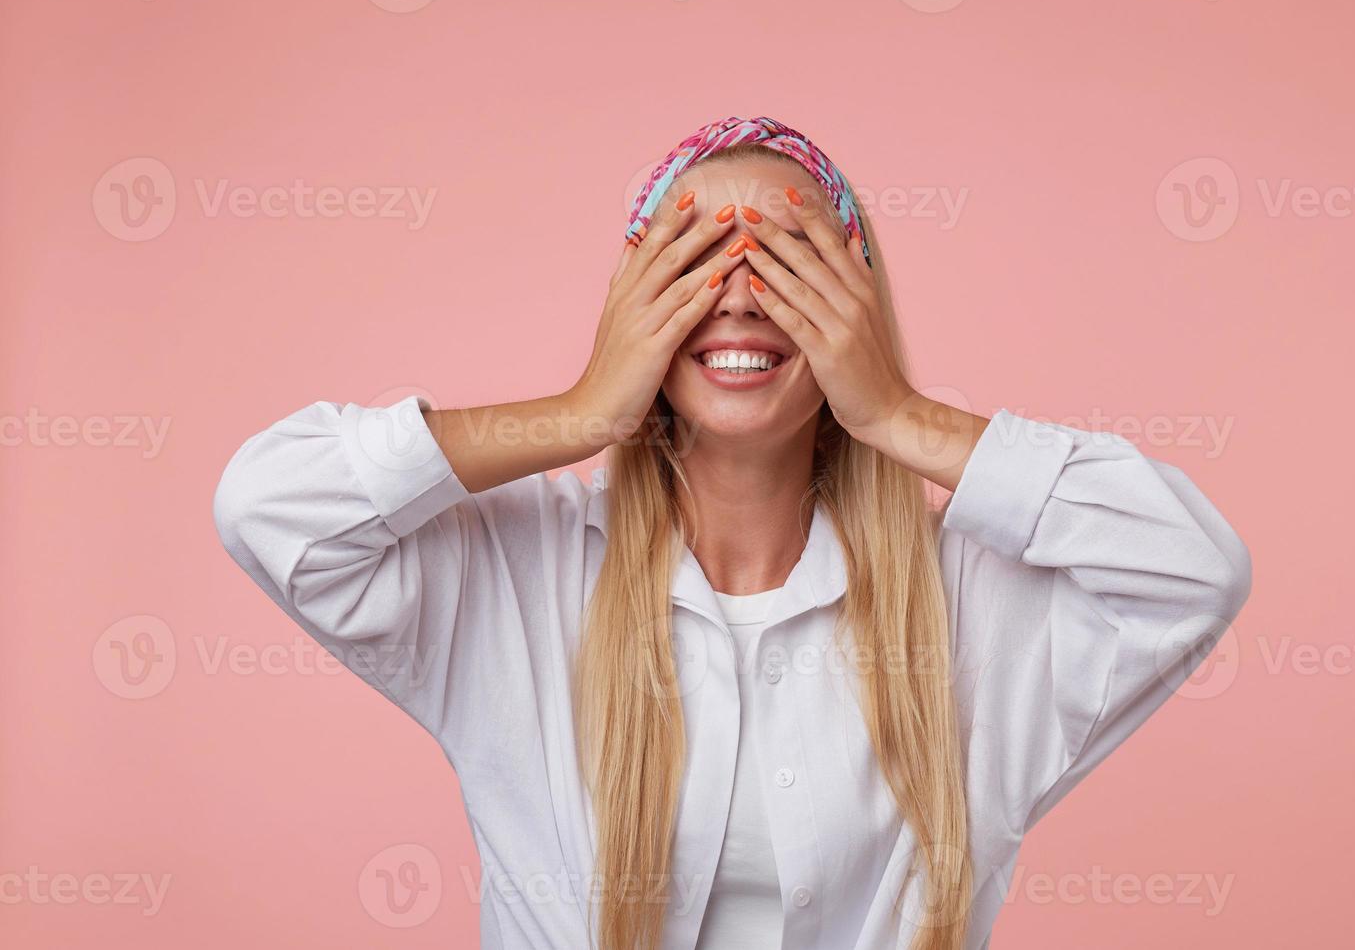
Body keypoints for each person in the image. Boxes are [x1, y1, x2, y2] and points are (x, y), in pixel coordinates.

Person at [213, 116, 1251, 949]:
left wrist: (893, 411)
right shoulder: (512, 577)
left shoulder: (973, 605)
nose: (741, 298)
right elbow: (270, 503)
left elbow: (1192, 566)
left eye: (790, 258)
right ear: (631, 306)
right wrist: (578, 413)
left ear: (856, 305)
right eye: (696, 258)